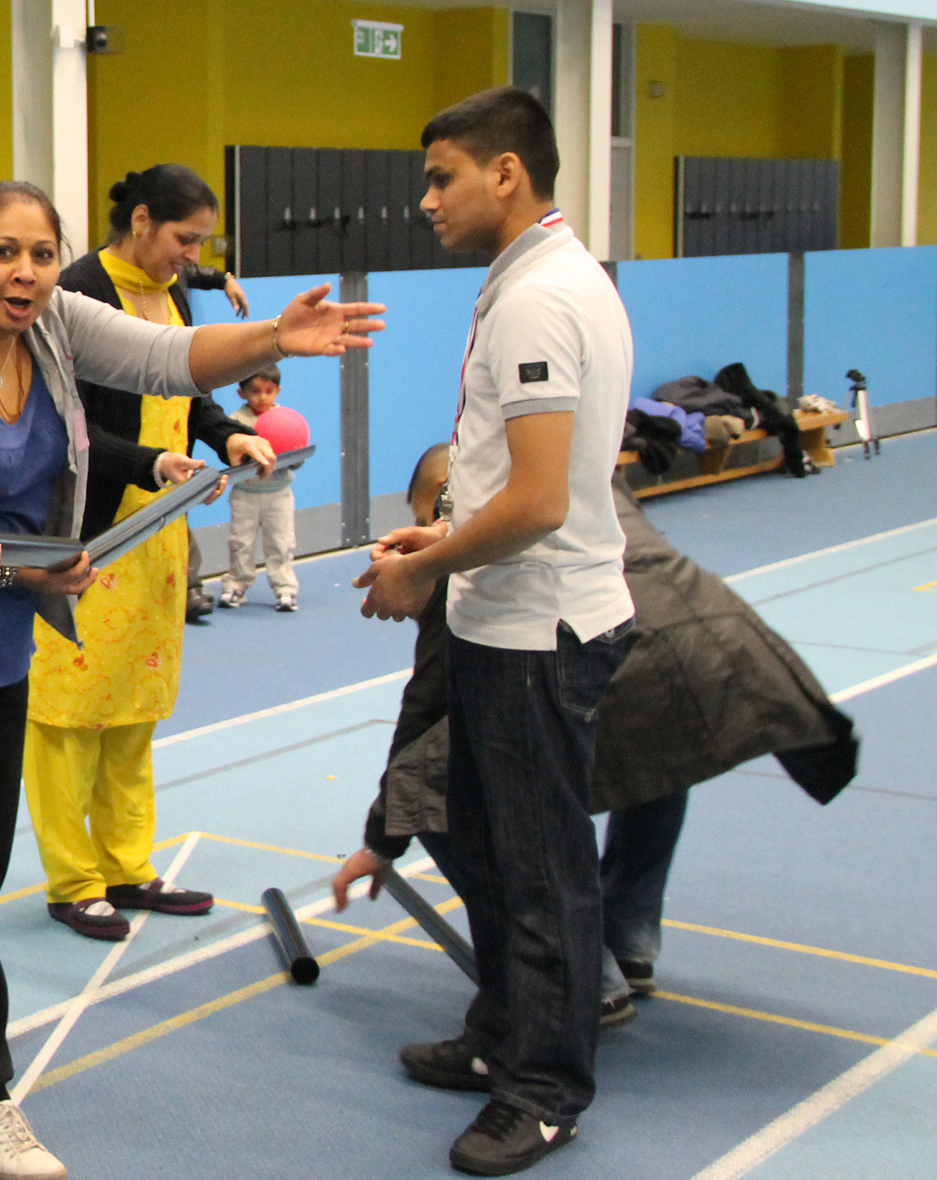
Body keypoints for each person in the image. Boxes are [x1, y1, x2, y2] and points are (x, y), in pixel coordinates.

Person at [0, 180, 383, 1180]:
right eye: (3, 253)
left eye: (43, 254)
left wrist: (274, 338)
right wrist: (20, 565)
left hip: (2, 642)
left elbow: (167, 355)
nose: (26, 273)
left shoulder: (51, 330)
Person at [354, 87, 634, 1177]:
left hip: (537, 631)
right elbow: (504, 483)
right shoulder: (542, 279)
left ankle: (547, 1088)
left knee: (540, 869)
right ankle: (503, 1036)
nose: (426, 200)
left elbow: (540, 501)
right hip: (501, 622)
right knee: (476, 842)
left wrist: (425, 567)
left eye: (442, 178)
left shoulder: (539, 299)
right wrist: (435, 534)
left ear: (505, 173)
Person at [334, 448, 857, 1023]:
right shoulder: (569, 463)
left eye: (421, 515)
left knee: (428, 788)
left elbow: (433, 693)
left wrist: (383, 839)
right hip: (719, 640)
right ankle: (628, 942)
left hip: (616, 651)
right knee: (659, 750)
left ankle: (580, 978)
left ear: (443, 493)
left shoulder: (475, 523)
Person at [25, 165, 274, 941]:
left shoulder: (172, 293)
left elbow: (184, 380)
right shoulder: (72, 295)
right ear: (139, 221)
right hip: (89, 534)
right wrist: (149, 464)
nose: (192, 257)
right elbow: (57, 424)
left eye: (201, 243)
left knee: (134, 707)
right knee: (68, 719)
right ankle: (73, 880)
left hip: (158, 536)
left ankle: (128, 864)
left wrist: (226, 430)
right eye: (183, 239)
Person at [217, 370, 300, 612]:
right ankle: (236, 585)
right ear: (241, 393)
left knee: (282, 542)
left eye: (269, 391)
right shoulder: (235, 423)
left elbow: (296, 451)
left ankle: (285, 589)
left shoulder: (286, 421)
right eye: (255, 391)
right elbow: (231, 451)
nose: (263, 397)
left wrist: (294, 457)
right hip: (245, 495)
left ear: (278, 392)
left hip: (279, 495)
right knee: (240, 542)